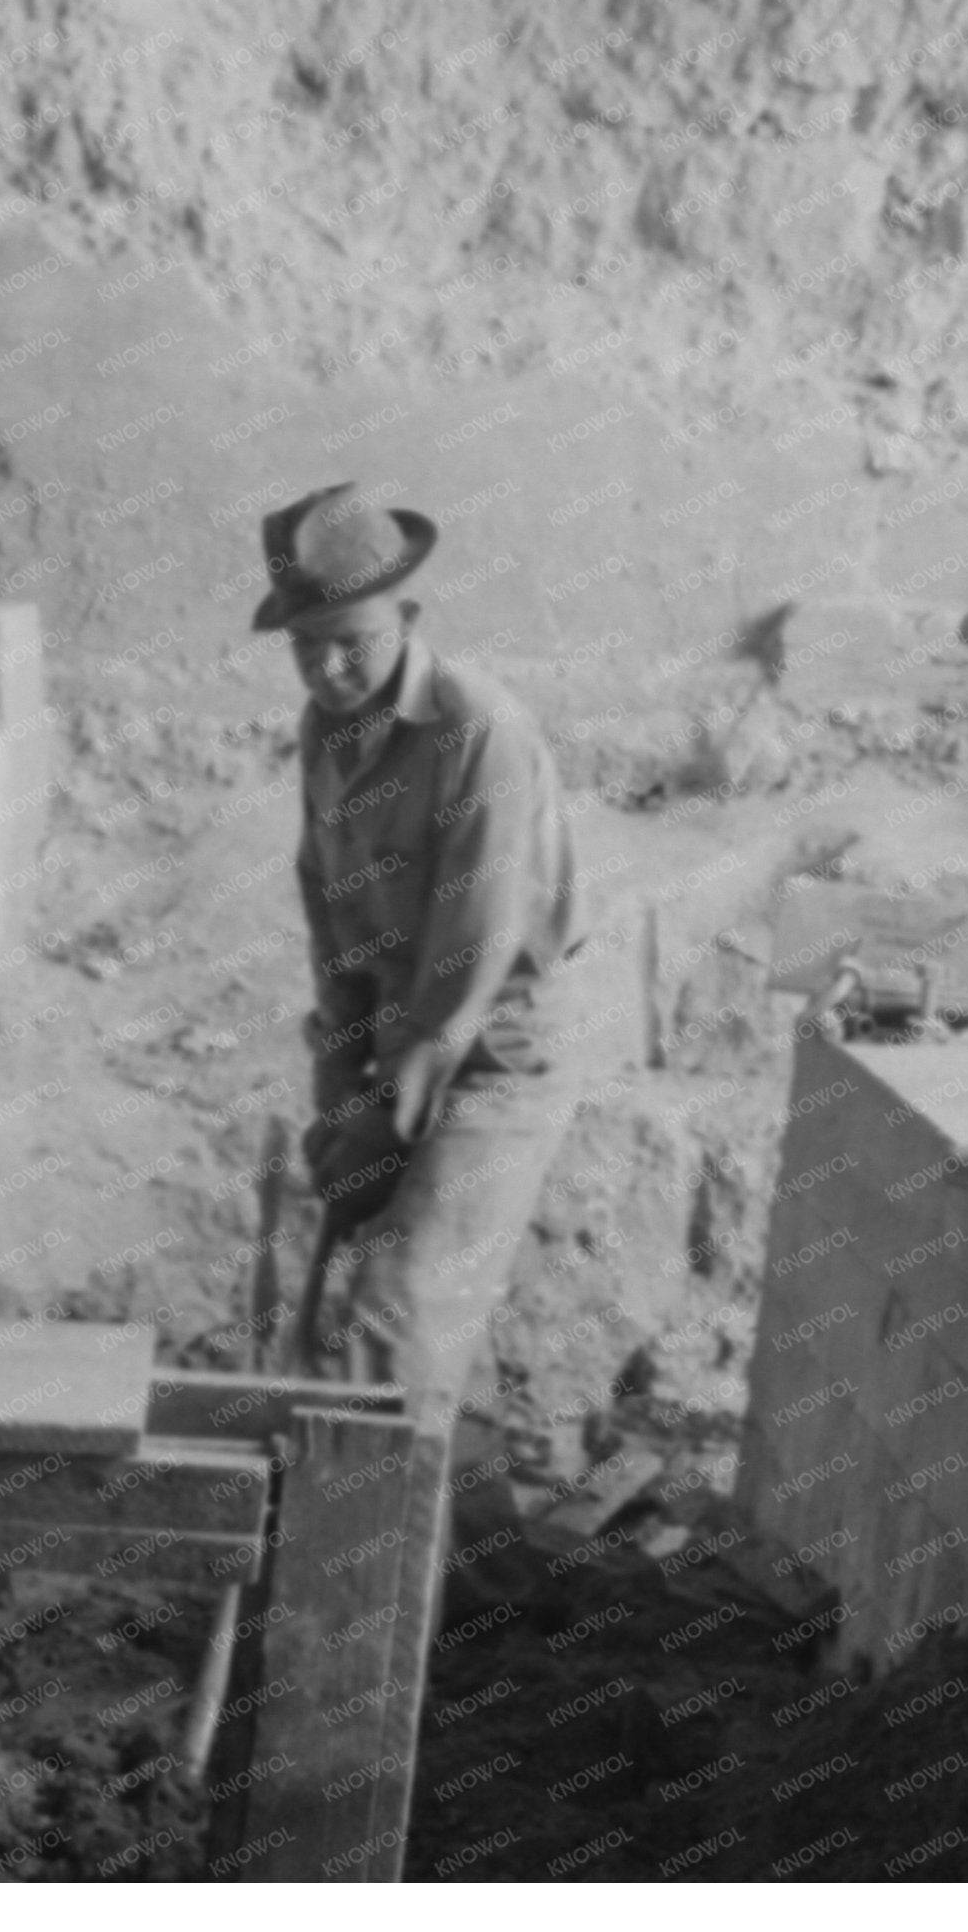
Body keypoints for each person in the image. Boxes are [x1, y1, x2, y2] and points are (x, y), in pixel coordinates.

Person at [258, 481, 582, 1418]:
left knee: (396, 1326)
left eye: (350, 644)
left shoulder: (474, 730)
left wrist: (387, 1107)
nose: (328, 671)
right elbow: (331, 915)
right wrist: (340, 1086)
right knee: (365, 1315)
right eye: (305, 649)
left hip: (493, 1056)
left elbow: (469, 951)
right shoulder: (325, 732)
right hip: (402, 1046)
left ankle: (350, 1556)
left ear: (405, 615)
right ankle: (462, 1542)